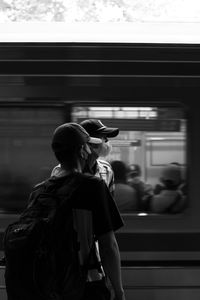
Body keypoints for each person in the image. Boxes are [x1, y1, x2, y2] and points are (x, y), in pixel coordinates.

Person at [51, 123, 126, 300]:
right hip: (75, 257)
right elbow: (109, 241)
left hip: (97, 256)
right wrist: (119, 290)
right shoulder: (60, 173)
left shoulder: (106, 171)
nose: (107, 142)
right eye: (103, 138)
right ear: (88, 145)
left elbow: (107, 217)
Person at [52, 119, 119, 196]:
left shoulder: (106, 169)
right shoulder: (60, 171)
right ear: (90, 142)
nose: (107, 141)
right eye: (103, 137)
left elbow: (110, 203)